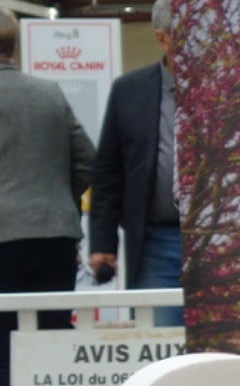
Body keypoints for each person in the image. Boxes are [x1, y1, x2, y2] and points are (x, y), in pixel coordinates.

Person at [0, 2, 94, 386]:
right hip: (54, 237)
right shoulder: (50, 93)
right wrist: (57, 201)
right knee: (53, 344)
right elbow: (87, 160)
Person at [88, 0, 183, 327]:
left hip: (220, 240)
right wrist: (102, 242)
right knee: (159, 344)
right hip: (156, 241)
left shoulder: (229, 88)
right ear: (163, 39)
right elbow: (108, 172)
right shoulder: (129, 91)